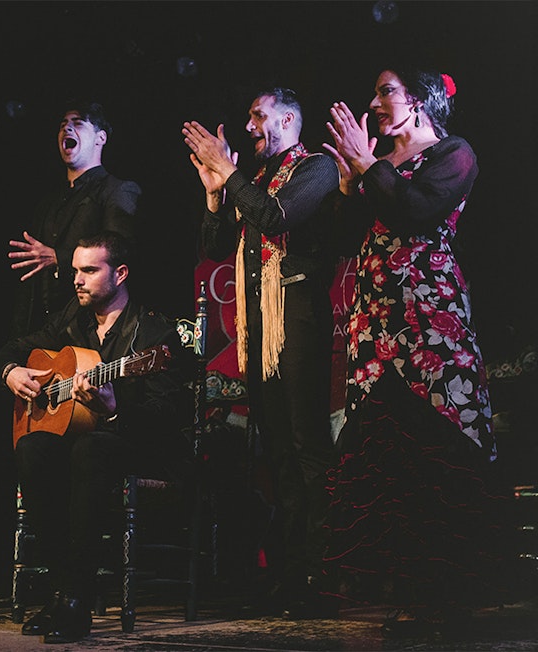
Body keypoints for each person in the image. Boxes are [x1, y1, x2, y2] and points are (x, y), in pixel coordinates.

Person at [321, 67, 504, 635]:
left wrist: (370, 167)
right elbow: (343, 237)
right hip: (376, 321)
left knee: (435, 448)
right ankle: (406, 596)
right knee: (388, 454)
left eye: (387, 91)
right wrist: (351, 184)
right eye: (374, 92)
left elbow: (417, 210)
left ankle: (444, 599)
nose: (375, 102)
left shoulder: (454, 152)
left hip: (430, 316)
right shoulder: (379, 165)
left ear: (422, 100)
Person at [181, 87, 340, 618]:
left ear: (289, 118)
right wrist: (213, 193)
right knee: (278, 453)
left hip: (297, 320)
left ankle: (326, 571)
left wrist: (230, 177)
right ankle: (294, 575)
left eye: (259, 115)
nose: (249, 126)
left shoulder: (315, 168)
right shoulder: (256, 181)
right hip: (261, 328)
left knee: (306, 446)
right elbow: (215, 248)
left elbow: (275, 219)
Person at [0, 231, 193, 644]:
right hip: (83, 447)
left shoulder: (154, 337)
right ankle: (60, 592)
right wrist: (11, 370)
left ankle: (76, 599)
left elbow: (167, 416)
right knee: (32, 448)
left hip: (139, 446)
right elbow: (18, 345)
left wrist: (113, 408)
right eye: (75, 271)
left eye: (88, 270)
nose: (77, 280)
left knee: (92, 448)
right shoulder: (73, 318)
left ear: (120, 273)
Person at [7, 100, 141, 338]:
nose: (67, 129)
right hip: (44, 330)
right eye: (63, 125)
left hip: (88, 328)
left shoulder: (117, 190)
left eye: (77, 123)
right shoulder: (48, 203)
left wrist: (59, 257)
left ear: (100, 138)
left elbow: (121, 249)